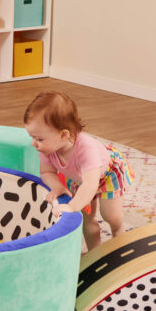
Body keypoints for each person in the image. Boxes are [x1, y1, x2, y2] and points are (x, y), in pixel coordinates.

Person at [24, 91, 134, 250]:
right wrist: (58, 186)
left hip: (107, 174)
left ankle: (120, 237)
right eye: (32, 137)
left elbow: (90, 184)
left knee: (111, 216)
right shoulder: (48, 149)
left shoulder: (86, 150)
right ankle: (94, 255)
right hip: (78, 178)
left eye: (39, 139)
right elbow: (47, 172)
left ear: (63, 134)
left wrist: (71, 206)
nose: (34, 144)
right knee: (86, 219)